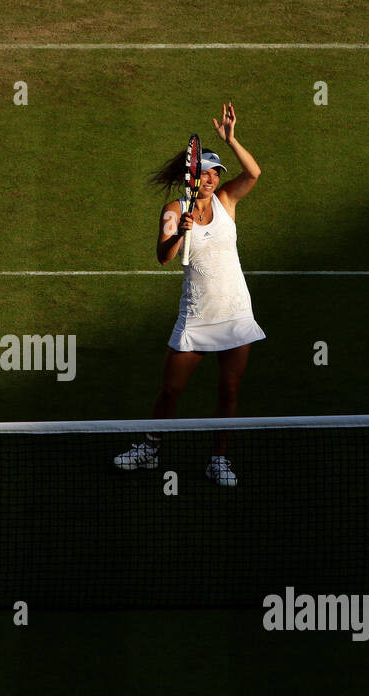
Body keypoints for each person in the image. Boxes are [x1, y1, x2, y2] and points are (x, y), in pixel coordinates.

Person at [115, 102, 265, 487]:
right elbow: (164, 258)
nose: (213, 178)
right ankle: (149, 448)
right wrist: (181, 232)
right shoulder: (173, 209)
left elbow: (254, 172)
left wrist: (231, 140)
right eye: (207, 172)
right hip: (197, 317)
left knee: (229, 390)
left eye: (216, 173)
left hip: (235, 313)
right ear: (192, 176)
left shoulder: (227, 201)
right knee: (171, 390)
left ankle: (218, 458)